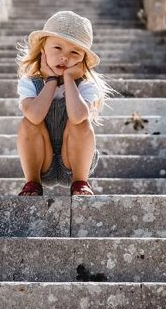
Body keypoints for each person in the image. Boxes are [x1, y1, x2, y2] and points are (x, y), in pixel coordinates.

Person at [15, 10, 111, 196]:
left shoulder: (85, 86)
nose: (64, 57)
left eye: (74, 52)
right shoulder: (30, 83)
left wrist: (69, 79)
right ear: (43, 50)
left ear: (83, 61)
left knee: (81, 122)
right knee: (28, 122)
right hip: (42, 162)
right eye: (57, 48)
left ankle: (80, 184)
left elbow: (78, 116)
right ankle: (32, 183)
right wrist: (51, 80)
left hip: (75, 164)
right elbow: (34, 115)